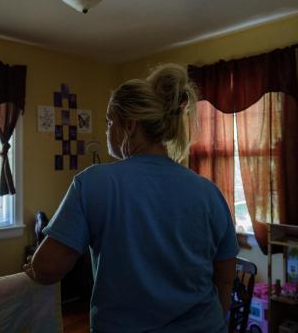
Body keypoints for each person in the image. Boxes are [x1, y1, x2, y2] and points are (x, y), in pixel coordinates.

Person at [24, 63, 239, 332]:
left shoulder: (94, 182)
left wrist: (32, 265)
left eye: (109, 122)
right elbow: (226, 278)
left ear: (130, 125)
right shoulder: (210, 192)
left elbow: (46, 269)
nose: (106, 132)